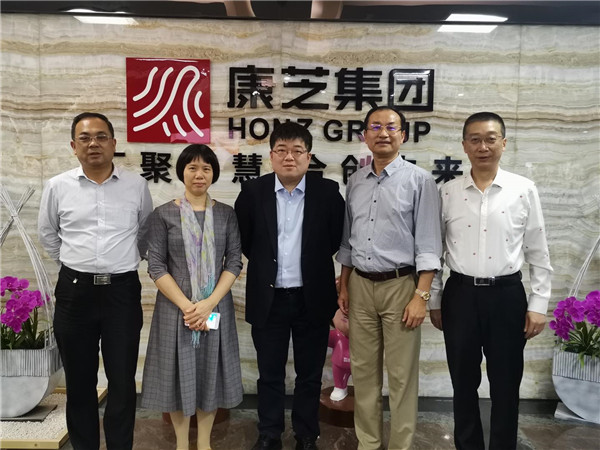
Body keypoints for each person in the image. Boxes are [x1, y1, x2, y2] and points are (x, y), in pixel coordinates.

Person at [429, 112, 553, 450]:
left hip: (507, 297)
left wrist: (539, 304)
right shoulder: (448, 192)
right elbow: (435, 252)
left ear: (504, 143)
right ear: (464, 145)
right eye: (475, 139)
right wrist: (435, 300)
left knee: (506, 384)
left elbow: (538, 250)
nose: (483, 146)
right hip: (460, 296)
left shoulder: (523, 190)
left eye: (490, 139)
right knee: (462, 383)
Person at [38, 112, 153, 449]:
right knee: (79, 382)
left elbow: (145, 234)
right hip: (75, 294)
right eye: (85, 138)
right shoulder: (58, 186)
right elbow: (48, 234)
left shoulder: (136, 185)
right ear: (73, 146)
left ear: (113, 144)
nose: (94, 144)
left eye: (101, 137)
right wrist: (76, 267)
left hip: (122, 292)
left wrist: (119, 262)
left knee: (122, 380)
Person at [337, 106, 442, 450]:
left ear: (403, 136)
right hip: (360, 286)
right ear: (365, 136)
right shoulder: (355, 181)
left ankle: (400, 445)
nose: (383, 133)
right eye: (375, 127)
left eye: (391, 127)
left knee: (401, 375)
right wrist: (344, 285)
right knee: (363, 373)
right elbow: (348, 241)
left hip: (401, 287)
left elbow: (429, 245)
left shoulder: (420, 180)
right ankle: (368, 443)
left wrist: (421, 297)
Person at [235, 122, 345, 450]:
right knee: (269, 373)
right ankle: (269, 433)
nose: (289, 157)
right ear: (271, 156)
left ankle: (306, 435)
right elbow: (246, 241)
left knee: (309, 375)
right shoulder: (252, 192)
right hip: (268, 298)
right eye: (281, 150)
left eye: (297, 150)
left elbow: (334, 240)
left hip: (312, 298)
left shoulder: (327, 193)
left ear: (308, 157)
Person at [141, 144, 243, 450]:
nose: (199, 175)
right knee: (177, 374)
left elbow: (234, 262)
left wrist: (208, 303)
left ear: (214, 174)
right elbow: (156, 265)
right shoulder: (164, 214)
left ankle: (205, 443)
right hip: (176, 307)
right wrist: (189, 306)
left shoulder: (226, 214)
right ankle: (182, 443)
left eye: (206, 169)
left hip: (215, 302)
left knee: (209, 374)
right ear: (182, 172)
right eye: (193, 168)